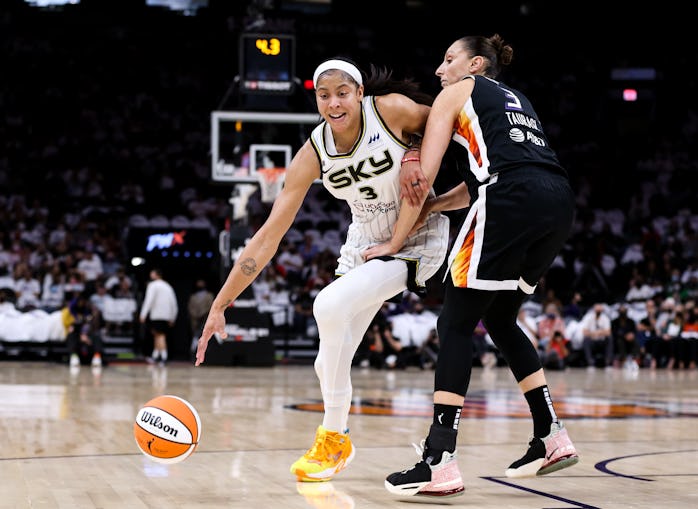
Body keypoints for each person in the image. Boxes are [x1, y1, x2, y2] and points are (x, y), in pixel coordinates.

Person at [194, 57, 450, 483]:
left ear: (360, 93)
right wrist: (220, 305)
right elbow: (267, 236)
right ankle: (337, 440)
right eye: (324, 95)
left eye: (342, 92)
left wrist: (413, 152)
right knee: (327, 360)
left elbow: (447, 121)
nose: (333, 103)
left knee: (327, 305)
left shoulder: (389, 110)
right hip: (364, 242)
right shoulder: (313, 152)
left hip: (416, 235)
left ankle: (333, 437)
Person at [363, 34, 579, 497]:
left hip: (510, 197)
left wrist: (394, 241)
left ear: (475, 64)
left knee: (456, 323)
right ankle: (551, 435)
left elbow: (423, 176)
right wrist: (438, 206)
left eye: (448, 60)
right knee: (500, 318)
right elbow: (476, 181)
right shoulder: (516, 99)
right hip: (556, 201)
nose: (439, 71)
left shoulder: (457, 92)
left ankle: (439, 458)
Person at [139, 268, 178, 366]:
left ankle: (164, 358)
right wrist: (172, 316)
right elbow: (174, 303)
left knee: (160, 335)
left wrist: (143, 314)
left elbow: (149, 300)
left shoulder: (152, 285)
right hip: (166, 315)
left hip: (157, 314)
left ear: (156, 274)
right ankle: (155, 356)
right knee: (157, 335)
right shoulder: (168, 286)